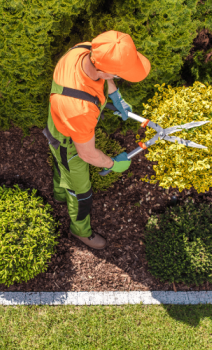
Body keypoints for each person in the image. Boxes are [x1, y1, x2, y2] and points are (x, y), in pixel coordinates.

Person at [42, 31, 151, 249]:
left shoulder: (83, 50)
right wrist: (114, 163)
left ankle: (59, 193)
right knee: (81, 192)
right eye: (118, 75)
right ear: (103, 69)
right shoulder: (80, 110)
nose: (116, 80)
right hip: (69, 143)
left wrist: (115, 95)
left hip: (58, 123)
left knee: (59, 165)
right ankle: (80, 231)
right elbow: (87, 154)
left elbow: (104, 74)